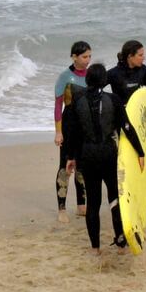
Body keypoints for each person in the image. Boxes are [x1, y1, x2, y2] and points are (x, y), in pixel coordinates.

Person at [63, 63, 145, 254]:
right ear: (104, 80)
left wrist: (70, 157)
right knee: (115, 198)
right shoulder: (113, 99)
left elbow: (73, 132)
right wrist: (140, 152)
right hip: (108, 154)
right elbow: (126, 128)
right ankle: (121, 243)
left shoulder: (78, 101)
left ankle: (95, 248)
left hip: (87, 155)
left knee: (93, 202)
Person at [107, 39, 146, 214]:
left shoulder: (143, 71)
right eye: (140, 55)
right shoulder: (114, 74)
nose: (143, 58)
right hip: (120, 124)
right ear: (129, 56)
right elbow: (96, 91)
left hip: (140, 124)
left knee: (143, 158)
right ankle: (125, 200)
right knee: (122, 162)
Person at [53, 41, 89, 223]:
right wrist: (58, 132)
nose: (87, 60)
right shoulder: (65, 76)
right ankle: (62, 208)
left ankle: (82, 206)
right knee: (65, 167)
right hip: (69, 125)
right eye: (84, 57)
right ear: (74, 57)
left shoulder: (91, 75)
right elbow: (58, 105)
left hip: (85, 125)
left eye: (89, 56)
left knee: (82, 166)